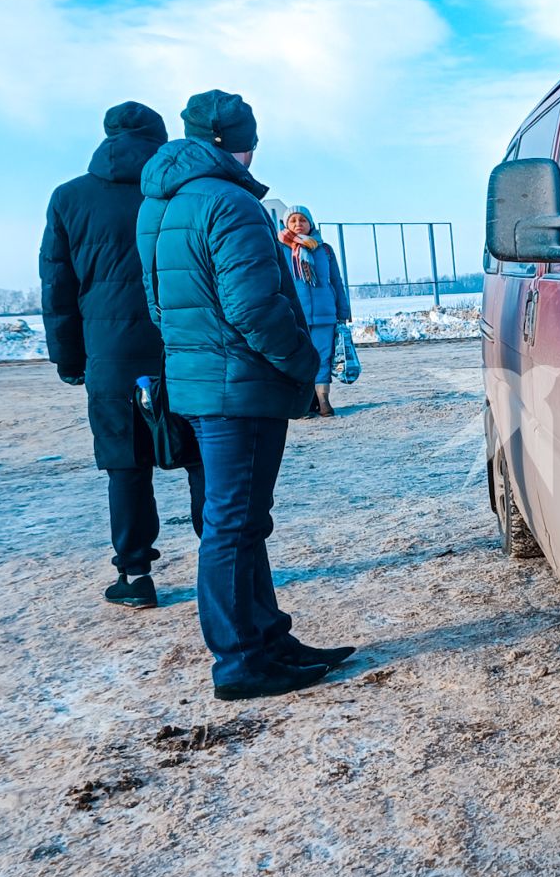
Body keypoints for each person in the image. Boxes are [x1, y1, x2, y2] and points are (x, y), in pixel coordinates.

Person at [137, 89, 354, 701]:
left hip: (199, 383)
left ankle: (265, 637)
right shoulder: (230, 203)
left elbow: (157, 305)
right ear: (241, 143)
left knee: (236, 519)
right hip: (242, 384)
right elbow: (254, 307)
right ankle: (239, 659)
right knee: (233, 522)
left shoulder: (157, 205)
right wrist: (302, 362)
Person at [41, 102, 206, 609]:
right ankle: (223, 562)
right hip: (181, 344)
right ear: (159, 139)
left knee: (126, 466)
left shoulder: (68, 197)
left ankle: (135, 576)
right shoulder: (180, 188)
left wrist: (70, 360)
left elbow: (58, 289)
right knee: (202, 458)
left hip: (110, 356)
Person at [277, 206, 351, 417]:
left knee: (322, 356)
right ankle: (303, 403)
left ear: (311, 224)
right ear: (286, 225)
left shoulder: (324, 250)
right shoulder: (279, 249)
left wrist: (343, 310)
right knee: (297, 357)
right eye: (293, 221)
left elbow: (336, 281)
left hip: (324, 312)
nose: (298, 224)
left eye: (303, 220)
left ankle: (323, 399)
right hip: (294, 314)